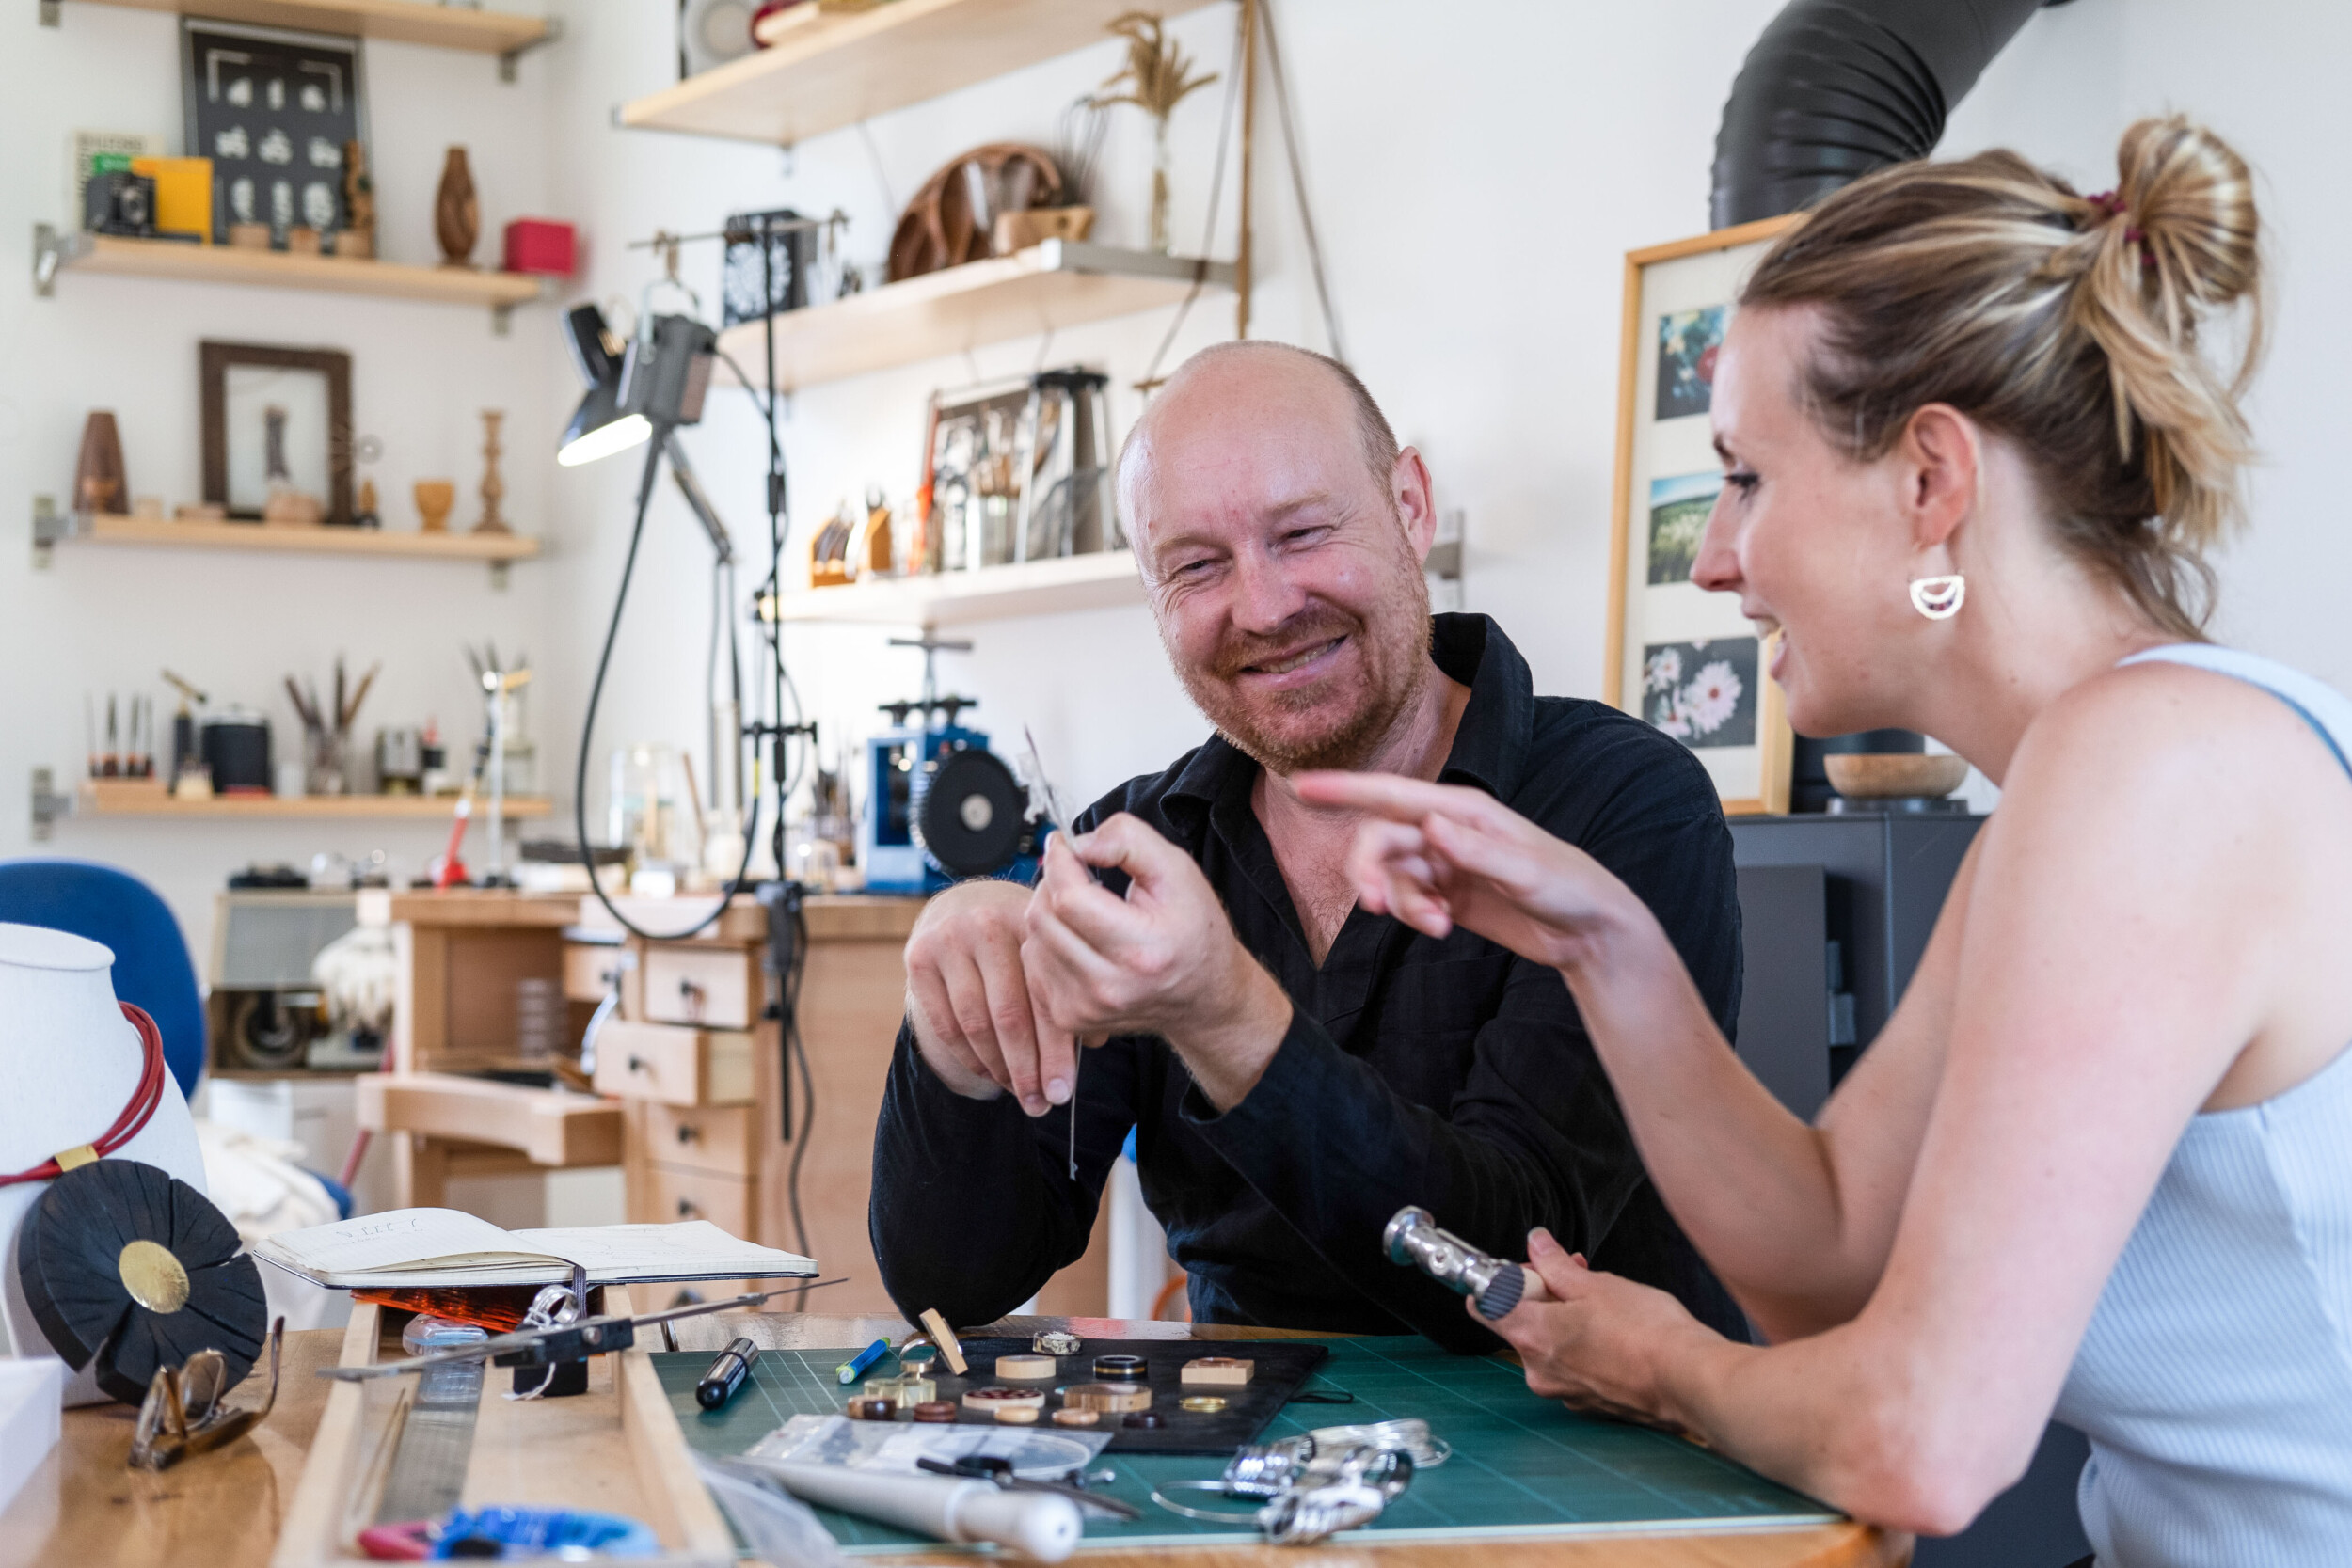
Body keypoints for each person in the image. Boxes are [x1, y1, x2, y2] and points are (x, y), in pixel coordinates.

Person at [1305, 116, 2352, 1563]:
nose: (1714, 554)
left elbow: (1924, 1433)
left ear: (1931, 482)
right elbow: (1834, 1256)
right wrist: (1599, 935)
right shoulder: (2091, 783)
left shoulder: (2155, 771)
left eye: (1745, 474)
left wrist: (1662, 1364)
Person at [869, 340, 1749, 1350]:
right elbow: (956, 1282)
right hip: (1244, 1468)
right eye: (1198, 564)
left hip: (1575, 1468)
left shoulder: (1623, 804)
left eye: (1302, 531)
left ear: (1409, 506)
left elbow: (1511, 1270)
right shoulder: (1138, 851)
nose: (1265, 605)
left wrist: (1227, 1016)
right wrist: (956, 1026)